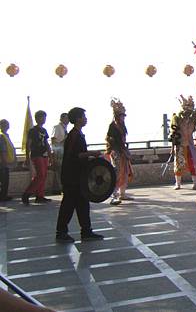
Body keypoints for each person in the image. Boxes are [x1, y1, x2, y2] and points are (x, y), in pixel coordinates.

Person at [56, 107, 104, 242]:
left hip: (78, 176)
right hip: (71, 177)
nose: (86, 118)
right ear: (78, 119)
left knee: (83, 204)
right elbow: (75, 155)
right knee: (68, 205)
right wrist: (92, 154)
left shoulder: (78, 134)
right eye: (83, 116)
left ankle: (86, 231)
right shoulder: (74, 135)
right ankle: (61, 232)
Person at [169, 96, 196, 190]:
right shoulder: (176, 118)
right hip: (180, 144)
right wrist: (172, 148)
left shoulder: (194, 118)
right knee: (179, 164)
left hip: (190, 144)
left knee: (194, 164)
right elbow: (173, 134)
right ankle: (178, 183)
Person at [106, 99, 134, 205]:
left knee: (125, 172)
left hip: (122, 151)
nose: (123, 118)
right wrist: (117, 147)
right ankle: (114, 195)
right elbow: (110, 139)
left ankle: (122, 193)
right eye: (122, 116)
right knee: (117, 172)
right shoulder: (113, 126)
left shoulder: (122, 126)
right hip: (116, 151)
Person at [22, 110, 52, 205]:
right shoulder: (32, 131)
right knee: (40, 175)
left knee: (44, 176)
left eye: (44, 117)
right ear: (37, 118)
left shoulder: (44, 130)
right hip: (36, 154)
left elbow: (47, 143)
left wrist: (50, 155)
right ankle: (27, 193)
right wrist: (27, 157)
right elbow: (28, 144)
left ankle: (40, 195)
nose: (43, 119)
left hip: (44, 155)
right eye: (42, 117)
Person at [0, 119, 16, 201]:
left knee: (5, 180)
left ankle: (4, 195)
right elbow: (3, 150)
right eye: (5, 125)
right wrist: (4, 161)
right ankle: (3, 196)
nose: (7, 126)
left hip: (6, 161)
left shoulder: (6, 135)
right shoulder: (2, 136)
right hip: (3, 162)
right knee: (4, 180)